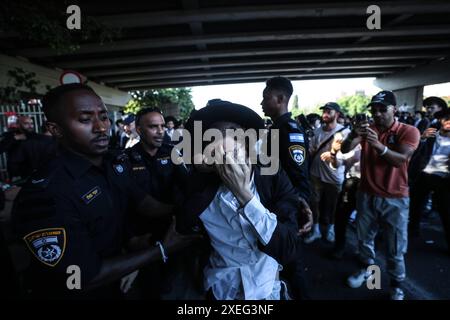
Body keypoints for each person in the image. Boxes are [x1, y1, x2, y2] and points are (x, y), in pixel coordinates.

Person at [11, 84, 199, 299]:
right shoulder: (44, 195)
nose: (101, 127)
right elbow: (80, 277)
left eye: (103, 116)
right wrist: (161, 250)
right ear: (56, 129)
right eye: (85, 119)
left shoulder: (113, 164)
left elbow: (145, 204)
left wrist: (194, 211)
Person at [178, 99, 310, 300]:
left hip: (268, 289)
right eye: (212, 137)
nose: (222, 143)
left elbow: (289, 247)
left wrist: (245, 196)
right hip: (222, 290)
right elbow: (182, 226)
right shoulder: (197, 185)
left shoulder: (272, 177)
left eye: (232, 133)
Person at [341, 90, 420, 300]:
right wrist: (352, 134)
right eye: (374, 110)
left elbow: (400, 160)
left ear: (394, 109)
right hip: (366, 194)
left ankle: (396, 286)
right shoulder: (369, 129)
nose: (377, 114)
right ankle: (369, 273)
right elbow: (344, 149)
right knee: (364, 240)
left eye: (382, 109)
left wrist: (376, 144)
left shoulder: (409, 131)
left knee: (395, 247)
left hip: (396, 198)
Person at [260, 77, 312, 299]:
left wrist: (299, 206)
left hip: (286, 208)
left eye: (265, 97)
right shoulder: (275, 129)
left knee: (291, 263)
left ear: (280, 99)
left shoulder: (289, 131)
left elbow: (298, 175)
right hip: (274, 204)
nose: (261, 102)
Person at [304, 102, 351, 244]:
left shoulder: (344, 132)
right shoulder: (318, 131)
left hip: (334, 176)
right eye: (324, 111)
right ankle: (316, 230)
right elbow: (310, 152)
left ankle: (330, 229)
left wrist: (334, 155)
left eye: (329, 111)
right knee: (314, 204)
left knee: (333, 206)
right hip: (315, 174)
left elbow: (347, 156)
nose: (325, 113)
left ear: (337, 114)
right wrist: (312, 150)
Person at [408, 108, 450, 252]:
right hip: (424, 175)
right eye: (446, 119)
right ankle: (412, 231)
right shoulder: (432, 134)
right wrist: (422, 138)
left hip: (443, 179)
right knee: (415, 204)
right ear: (440, 120)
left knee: (446, 212)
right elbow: (415, 152)